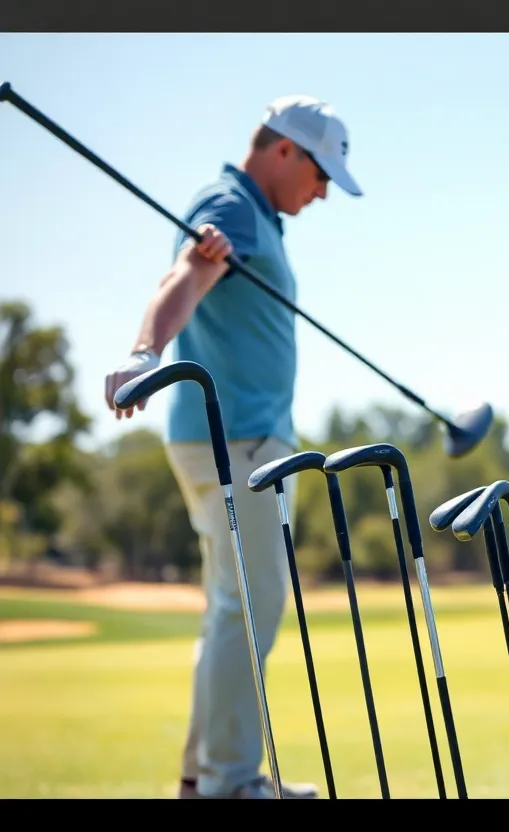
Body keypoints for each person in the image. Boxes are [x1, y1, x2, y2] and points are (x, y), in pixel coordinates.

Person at [102, 95, 362, 799]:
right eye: (321, 174)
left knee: (231, 608)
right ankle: (228, 782)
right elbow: (186, 274)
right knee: (251, 606)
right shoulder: (235, 204)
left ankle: (203, 778)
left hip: (235, 438)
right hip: (239, 441)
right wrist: (143, 351)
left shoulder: (255, 213)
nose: (324, 192)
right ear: (285, 150)